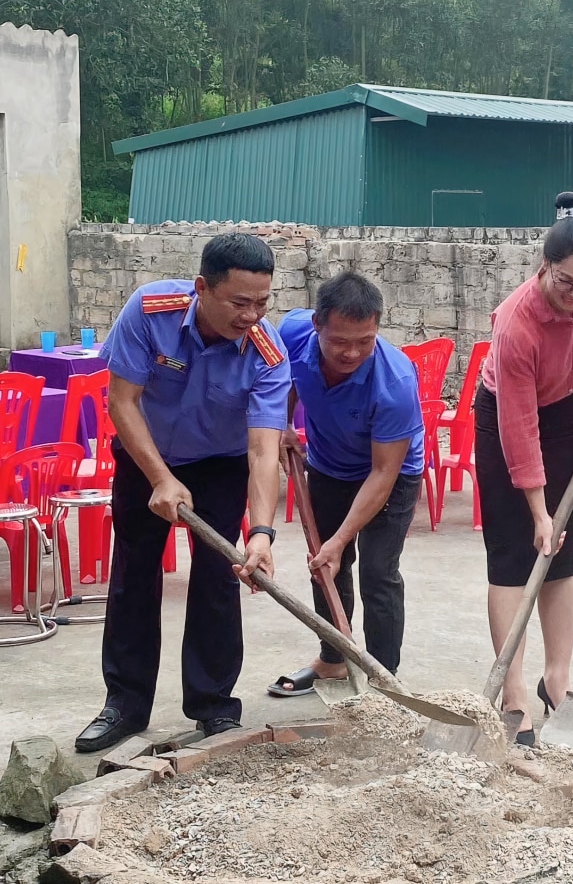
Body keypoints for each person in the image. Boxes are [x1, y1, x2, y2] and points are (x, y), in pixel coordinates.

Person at [75, 233, 290, 753]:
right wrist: (159, 478)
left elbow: (264, 451)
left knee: (219, 576)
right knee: (134, 571)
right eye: (240, 303)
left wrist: (261, 533)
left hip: (219, 464)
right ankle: (124, 704)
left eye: (262, 303)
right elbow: (122, 402)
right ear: (202, 288)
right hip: (143, 453)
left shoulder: (268, 352)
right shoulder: (150, 310)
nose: (252, 315)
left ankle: (214, 705)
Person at [476, 191, 573, 746]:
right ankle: (513, 692)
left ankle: (556, 679)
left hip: (565, 404)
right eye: (565, 282)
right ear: (545, 266)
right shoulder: (516, 324)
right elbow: (518, 430)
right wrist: (538, 510)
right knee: (517, 554)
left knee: (564, 552)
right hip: (504, 414)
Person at [268, 271, 424, 693]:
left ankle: (383, 676)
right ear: (318, 324)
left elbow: (382, 472)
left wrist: (341, 537)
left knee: (378, 570)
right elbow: (283, 379)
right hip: (328, 465)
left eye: (365, 340)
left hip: (390, 475)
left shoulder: (395, 382)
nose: (352, 352)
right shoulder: (294, 332)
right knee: (326, 567)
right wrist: (283, 423)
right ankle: (334, 657)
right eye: (340, 341)